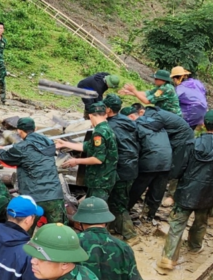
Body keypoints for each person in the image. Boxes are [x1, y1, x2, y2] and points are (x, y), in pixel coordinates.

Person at [158, 110, 213, 274]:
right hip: (208, 195)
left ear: (203, 125)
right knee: (201, 222)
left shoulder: (190, 144)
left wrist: (174, 189)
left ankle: (168, 258)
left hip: (185, 192)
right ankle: (194, 247)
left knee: (176, 225)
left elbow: (176, 170)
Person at [0, 117, 64, 224]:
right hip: (55, 195)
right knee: (58, 231)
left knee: (25, 231)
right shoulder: (48, 143)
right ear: (35, 128)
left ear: (19, 130)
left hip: (33, 198)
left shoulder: (21, 147)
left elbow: (6, 157)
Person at [55, 101, 117, 202]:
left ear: (90, 115)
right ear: (105, 114)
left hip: (100, 178)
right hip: (104, 177)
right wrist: (65, 144)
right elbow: (88, 146)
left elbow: (98, 159)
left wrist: (76, 161)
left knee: (95, 207)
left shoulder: (99, 133)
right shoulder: (106, 128)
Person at [139, 100, 195, 201]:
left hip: (182, 140)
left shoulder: (156, 116)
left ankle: (172, 195)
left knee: (173, 168)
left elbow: (152, 128)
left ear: (140, 112)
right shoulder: (156, 113)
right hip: (178, 138)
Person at [103, 96, 141, 243]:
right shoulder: (128, 121)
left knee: (117, 203)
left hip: (121, 168)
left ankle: (130, 235)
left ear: (108, 109)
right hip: (132, 166)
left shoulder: (110, 127)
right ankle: (114, 227)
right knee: (119, 200)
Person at [127, 105, 172, 222]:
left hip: (150, 161)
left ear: (132, 116)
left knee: (136, 189)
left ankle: (125, 212)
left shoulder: (136, 126)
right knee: (157, 191)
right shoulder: (159, 124)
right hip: (166, 161)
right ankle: (148, 217)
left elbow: (134, 148)